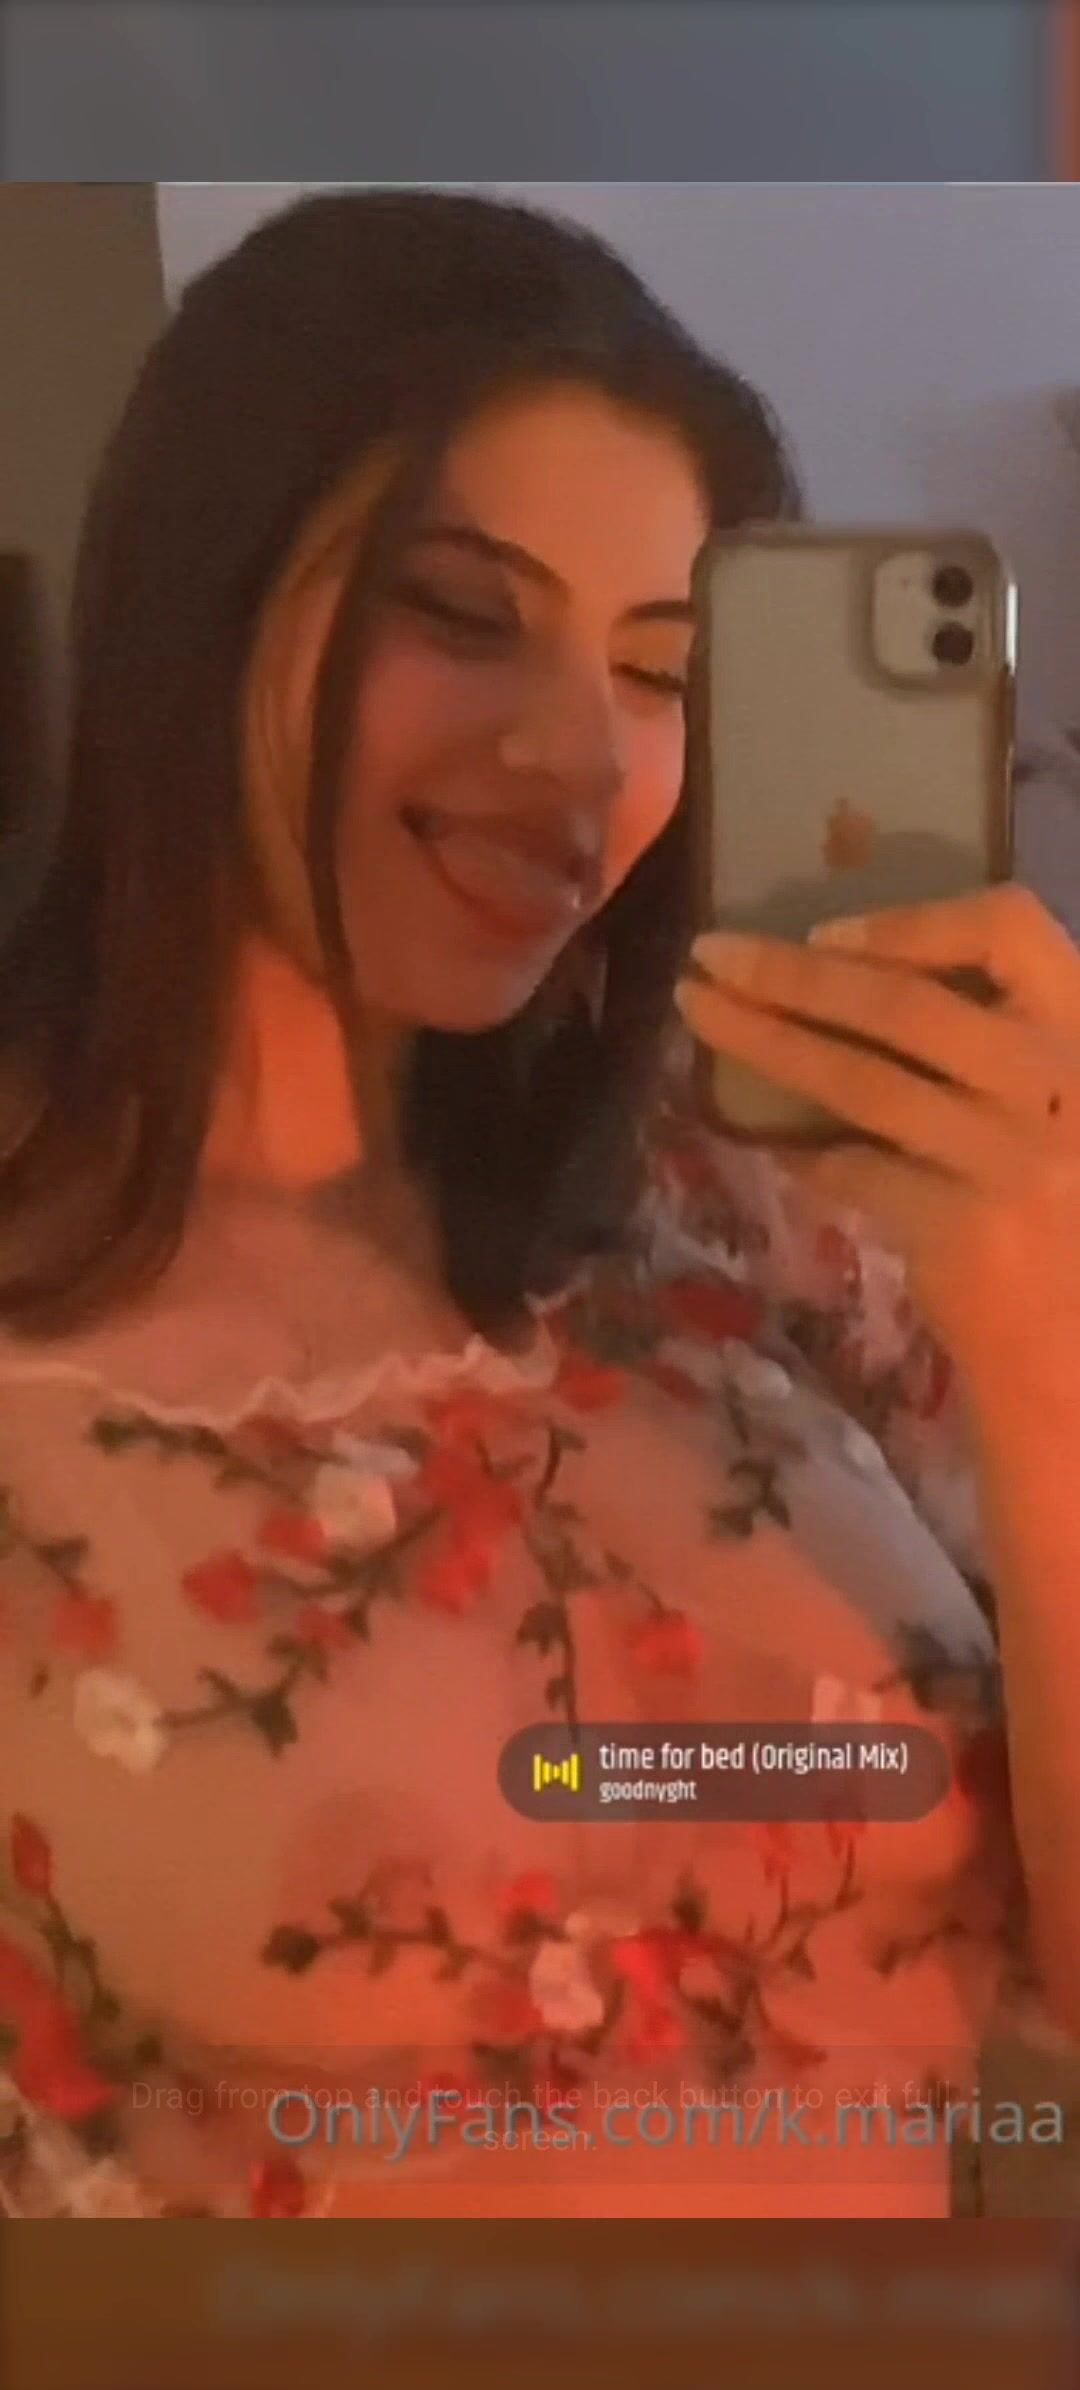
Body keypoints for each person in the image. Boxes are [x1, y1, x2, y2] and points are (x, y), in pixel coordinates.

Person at [0, 188, 1075, 2221]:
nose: (584, 757)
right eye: (463, 613)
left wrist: (1042, 1340)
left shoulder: (753, 1207)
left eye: (664, 674)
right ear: (195, 597)